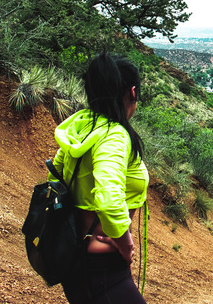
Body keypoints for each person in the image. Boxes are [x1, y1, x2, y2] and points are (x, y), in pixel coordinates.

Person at [50, 53, 149, 303]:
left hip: (76, 255)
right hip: (104, 265)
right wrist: (125, 244)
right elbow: (108, 196)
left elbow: (59, 173)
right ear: (133, 92)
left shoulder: (83, 126)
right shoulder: (115, 135)